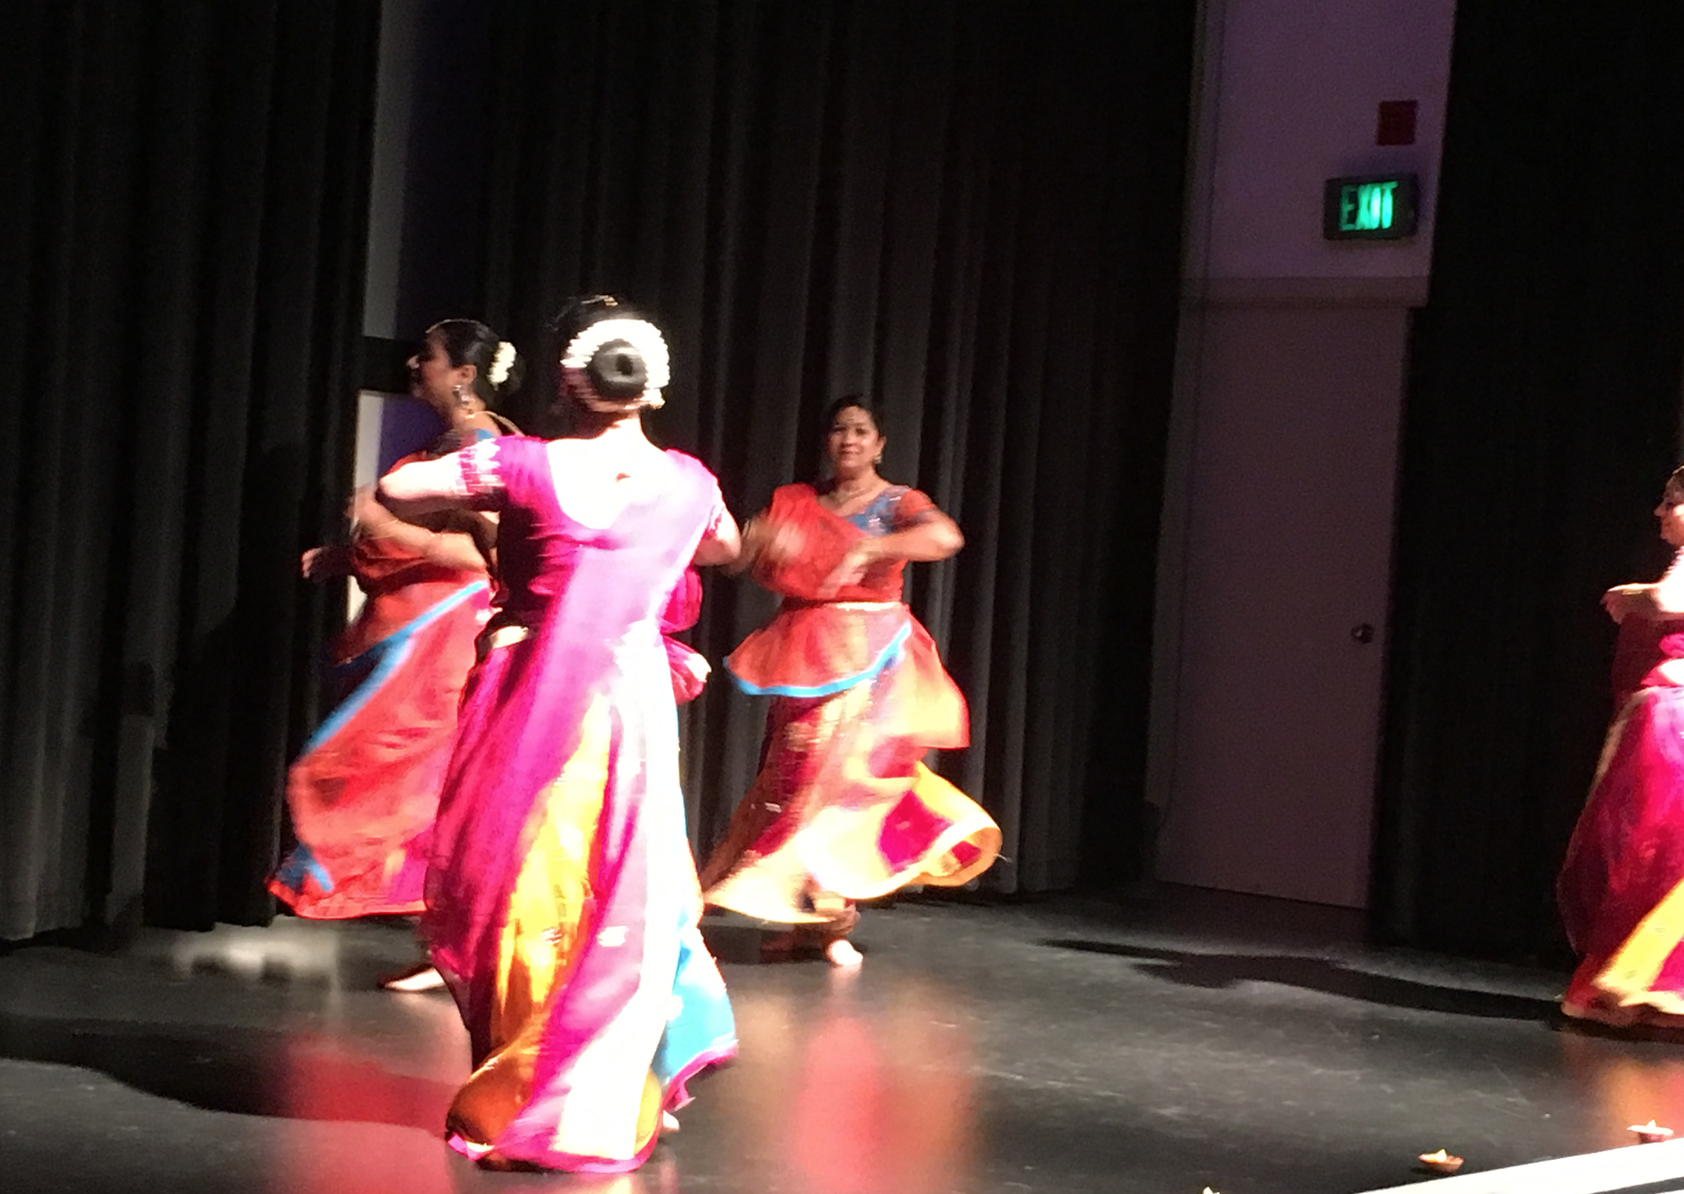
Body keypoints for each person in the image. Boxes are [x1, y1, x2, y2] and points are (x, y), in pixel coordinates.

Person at [379, 296, 740, 1171]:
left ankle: (526, 1073)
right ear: (653, 389)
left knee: (518, 877)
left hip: (532, 686)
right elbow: (725, 548)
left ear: (569, 382)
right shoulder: (690, 483)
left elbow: (397, 489)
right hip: (631, 704)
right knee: (626, 886)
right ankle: (611, 1076)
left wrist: (486, 508)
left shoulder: (527, 466)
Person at [699, 394, 1001, 966]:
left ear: (880, 443)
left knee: (842, 785)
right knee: (791, 784)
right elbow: (747, 561)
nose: (849, 440)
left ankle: (835, 920)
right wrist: (759, 546)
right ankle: (794, 914)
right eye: (839, 430)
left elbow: (946, 538)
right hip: (801, 654)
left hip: (870, 656)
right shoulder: (798, 503)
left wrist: (875, 547)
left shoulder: (895, 503)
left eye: (862, 430)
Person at [270, 321, 522, 966]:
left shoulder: (482, 445)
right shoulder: (450, 442)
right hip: (404, 632)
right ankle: (445, 943)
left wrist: (382, 525)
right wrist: (344, 554)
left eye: (429, 356)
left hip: (436, 641)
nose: (415, 362)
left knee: (393, 779)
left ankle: (457, 941)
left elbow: (491, 552)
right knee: (408, 785)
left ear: (464, 375)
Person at [1559, 465, 1684, 1027]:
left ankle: (1640, 984)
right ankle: (1651, 991)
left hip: (1675, 718)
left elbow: (1665, 602)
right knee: (1659, 855)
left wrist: (1635, 597)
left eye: (1672, 500)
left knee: (1656, 851)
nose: (1660, 513)